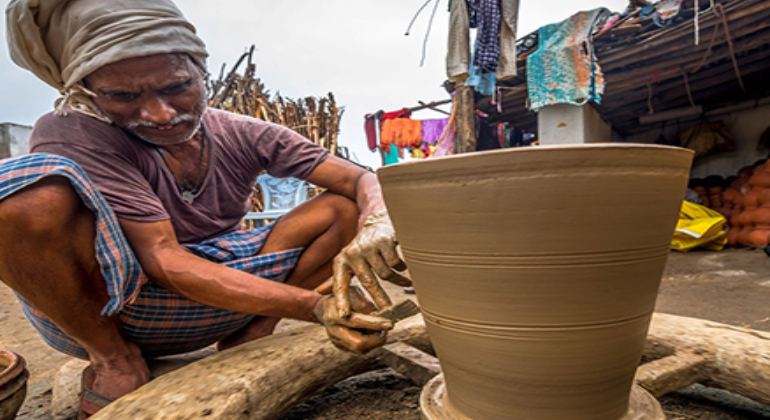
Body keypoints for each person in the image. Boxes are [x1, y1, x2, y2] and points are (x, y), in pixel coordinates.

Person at [2, 0, 410, 417]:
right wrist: (315, 307)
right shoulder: (75, 131)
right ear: (88, 93)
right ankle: (114, 360)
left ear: (201, 71)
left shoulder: (242, 132)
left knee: (344, 206)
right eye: (122, 96)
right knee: (22, 196)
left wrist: (377, 219)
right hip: (118, 307)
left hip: (225, 293)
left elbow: (361, 178)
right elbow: (162, 258)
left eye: (177, 87)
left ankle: (254, 331)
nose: (160, 114)